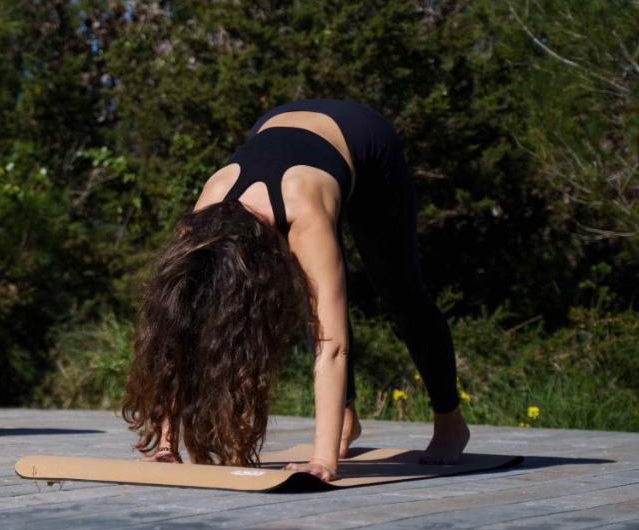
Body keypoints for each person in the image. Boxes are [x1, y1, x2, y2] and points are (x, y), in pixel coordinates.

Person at [121, 100, 470, 480]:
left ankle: (450, 423)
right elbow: (175, 333)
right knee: (190, 313)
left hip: (364, 139)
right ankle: (345, 420)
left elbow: (331, 343)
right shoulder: (202, 219)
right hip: (275, 124)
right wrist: (166, 446)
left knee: (399, 295)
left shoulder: (304, 215)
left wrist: (322, 462)